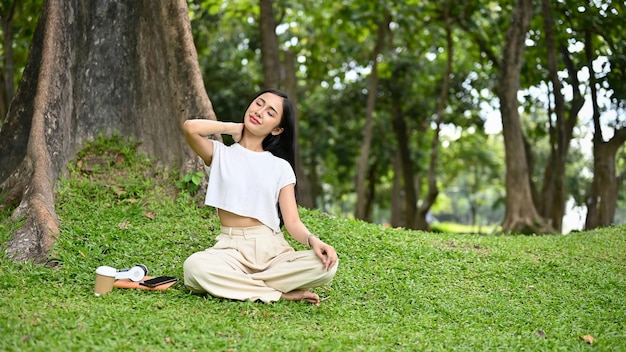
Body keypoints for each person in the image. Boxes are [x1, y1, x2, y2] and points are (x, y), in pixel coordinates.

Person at [182, 89, 338, 306]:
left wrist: (314, 240)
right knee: (195, 268)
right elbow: (190, 128)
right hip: (231, 249)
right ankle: (278, 293)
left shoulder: (280, 167)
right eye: (259, 103)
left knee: (325, 266)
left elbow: (292, 222)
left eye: (270, 112)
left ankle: (244, 286)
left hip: (272, 251)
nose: (260, 112)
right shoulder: (220, 154)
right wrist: (232, 128)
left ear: (277, 129)